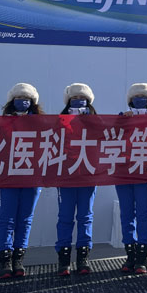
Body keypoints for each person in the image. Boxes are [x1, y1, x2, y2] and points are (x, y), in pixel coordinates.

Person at [0, 83, 44, 279]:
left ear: (32, 102)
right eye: (18, 98)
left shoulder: (41, 123)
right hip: (8, 177)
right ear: (12, 101)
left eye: (26, 99)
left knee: (25, 219)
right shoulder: (2, 122)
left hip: (32, 176)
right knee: (6, 219)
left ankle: (18, 259)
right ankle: (5, 260)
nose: (22, 102)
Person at [55, 83, 97, 276]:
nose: (78, 101)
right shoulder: (60, 119)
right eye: (74, 98)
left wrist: (91, 122)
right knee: (65, 217)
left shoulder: (95, 119)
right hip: (66, 177)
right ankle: (64, 258)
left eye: (82, 98)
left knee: (85, 217)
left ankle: (83, 256)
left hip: (88, 175)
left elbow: (105, 138)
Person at [116, 83, 147, 275]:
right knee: (126, 214)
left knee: (143, 213)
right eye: (135, 97)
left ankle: (142, 257)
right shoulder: (122, 117)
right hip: (123, 173)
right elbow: (110, 137)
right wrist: (121, 121)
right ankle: (130, 255)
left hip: (144, 173)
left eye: (143, 97)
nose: (139, 100)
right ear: (130, 100)